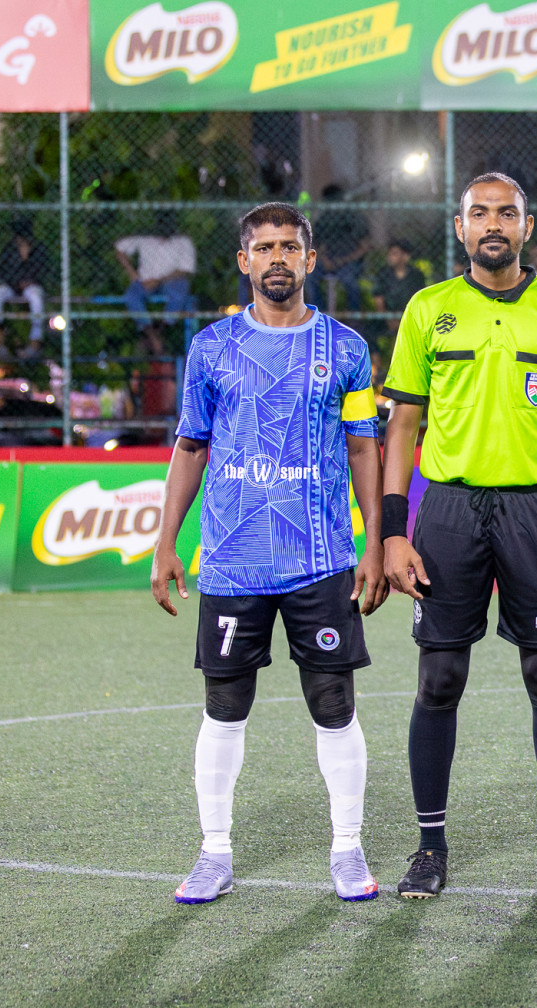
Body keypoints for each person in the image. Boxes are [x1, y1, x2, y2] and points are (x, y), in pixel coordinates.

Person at [380, 172, 537, 900]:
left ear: (526, 225)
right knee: (439, 678)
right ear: (459, 228)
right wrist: (393, 531)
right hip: (448, 511)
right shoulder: (429, 309)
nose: (492, 224)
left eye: (505, 213)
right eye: (478, 213)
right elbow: (404, 426)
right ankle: (429, 848)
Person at [149, 202, 388, 905]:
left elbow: (363, 447)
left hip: (319, 558)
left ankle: (347, 848)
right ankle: (213, 852)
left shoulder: (345, 350)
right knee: (224, 706)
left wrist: (374, 542)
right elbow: (190, 445)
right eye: (264, 247)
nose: (278, 257)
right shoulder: (211, 347)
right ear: (244, 261)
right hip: (231, 560)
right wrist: (167, 542)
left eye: (291, 246)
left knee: (334, 702)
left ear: (311, 261)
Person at [115, 210, 197, 330]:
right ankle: (148, 330)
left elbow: (185, 270)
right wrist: (132, 274)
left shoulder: (183, 241)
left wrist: (158, 280)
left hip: (171, 280)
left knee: (179, 292)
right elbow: (119, 248)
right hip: (145, 281)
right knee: (132, 296)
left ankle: (162, 329)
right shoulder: (145, 238)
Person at [0, 218, 51, 354]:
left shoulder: (38, 248)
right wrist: (17, 280)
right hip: (12, 285)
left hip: (31, 285)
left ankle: (35, 338)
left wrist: (29, 280)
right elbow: (2, 271)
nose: (21, 240)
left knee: (36, 298)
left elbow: (44, 270)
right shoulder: (10, 248)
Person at [309, 184, 372, 314]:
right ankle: (320, 315)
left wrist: (344, 260)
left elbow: (366, 246)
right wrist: (324, 259)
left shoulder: (354, 217)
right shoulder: (324, 218)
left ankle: (354, 318)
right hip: (328, 261)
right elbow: (314, 244)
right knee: (309, 277)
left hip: (350, 261)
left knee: (349, 280)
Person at [371, 239, 426, 337]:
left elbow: (420, 300)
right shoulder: (383, 274)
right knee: (369, 331)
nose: (390, 257)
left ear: (405, 256)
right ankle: (376, 353)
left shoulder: (416, 275)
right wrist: (389, 320)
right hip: (387, 319)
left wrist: (405, 321)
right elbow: (378, 301)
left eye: (395, 254)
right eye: (390, 254)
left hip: (410, 318)